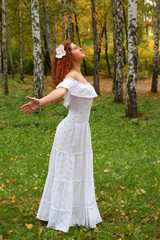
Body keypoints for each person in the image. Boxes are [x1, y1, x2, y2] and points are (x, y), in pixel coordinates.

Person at [20, 40, 102, 232]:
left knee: (78, 171)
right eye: (75, 48)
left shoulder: (79, 74)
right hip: (71, 130)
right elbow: (60, 91)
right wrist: (40, 101)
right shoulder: (72, 75)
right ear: (69, 56)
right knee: (66, 172)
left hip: (82, 130)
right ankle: (58, 214)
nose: (80, 48)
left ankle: (76, 213)